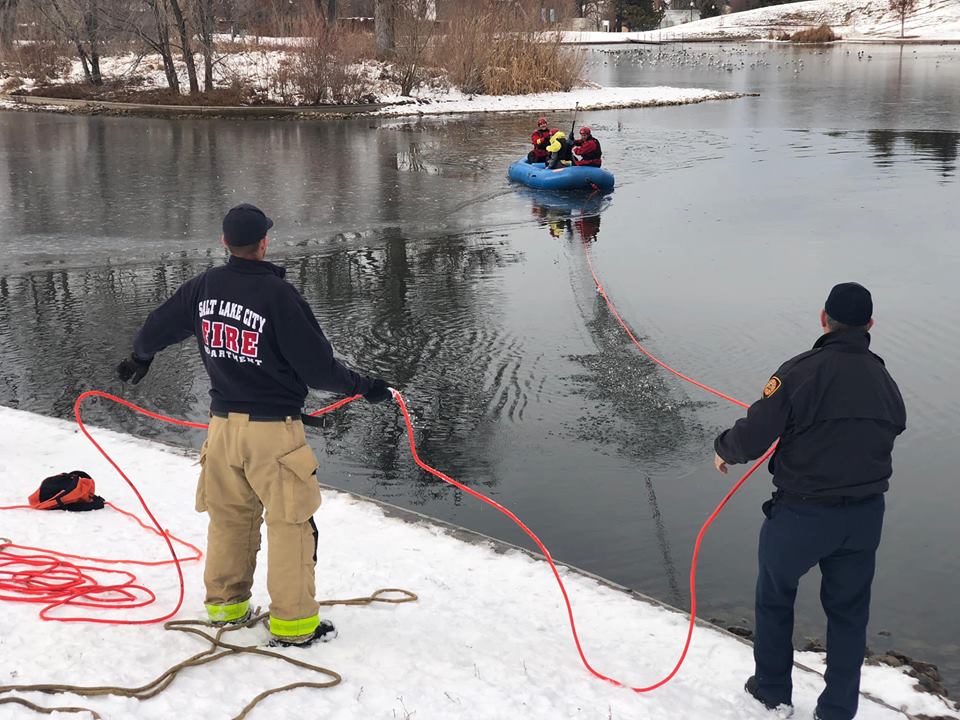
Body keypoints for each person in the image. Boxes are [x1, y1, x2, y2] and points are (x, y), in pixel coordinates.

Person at [116, 203, 392, 647]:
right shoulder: (279, 296)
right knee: (290, 524)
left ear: (225, 243)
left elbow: (158, 325)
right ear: (264, 243)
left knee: (230, 519)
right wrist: (366, 386)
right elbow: (319, 370)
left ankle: (225, 607)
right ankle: (295, 625)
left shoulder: (204, 288)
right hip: (273, 434)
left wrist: (139, 357)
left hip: (222, 431)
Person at [713, 283, 906, 720]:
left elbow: (753, 436)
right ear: (870, 325)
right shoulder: (884, 379)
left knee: (775, 596)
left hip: (802, 514)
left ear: (823, 319)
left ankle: (772, 693)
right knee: (849, 613)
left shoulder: (800, 372)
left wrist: (723, 449)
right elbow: (896, 425)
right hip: (864, 518)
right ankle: (837, 710)